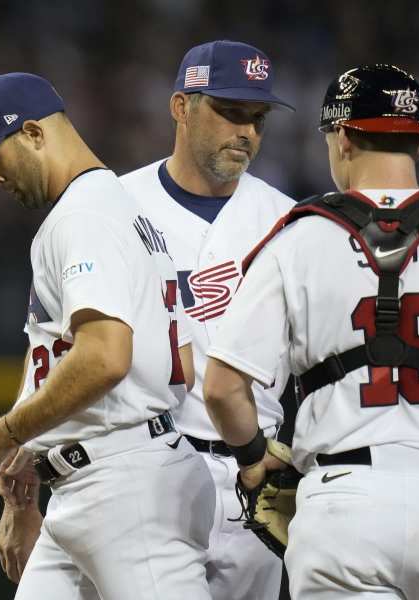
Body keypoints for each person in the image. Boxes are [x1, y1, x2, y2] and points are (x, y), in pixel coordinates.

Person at [202, 63, 419, 599]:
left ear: (342, 137)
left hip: (345, 502)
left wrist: (251, 460)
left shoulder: (299, 238)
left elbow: (222, 386)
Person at [0, 72, 215, 600]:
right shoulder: (128, 212)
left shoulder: (84, 217)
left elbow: (105, 358)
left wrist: (5, 432)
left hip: (126, 488)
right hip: (98, 479)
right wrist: (22, 481)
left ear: (34, 134)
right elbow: (178, 360)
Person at [117, 40, 296, 600]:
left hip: (255, 478)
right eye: (230, 112)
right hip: (150, 468)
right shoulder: (118, 206)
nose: (246, 132)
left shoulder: (288, 220)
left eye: (256, 118)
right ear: (181, 108)